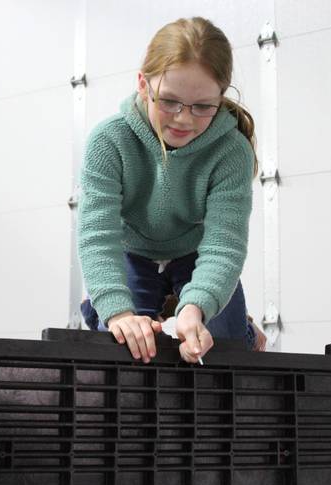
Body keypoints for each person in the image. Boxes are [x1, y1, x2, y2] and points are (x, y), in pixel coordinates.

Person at [78, 17, 265, 364]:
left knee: (220, 341)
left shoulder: (232, 152)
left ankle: (240, 327)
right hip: (132, 250)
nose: (183, 119)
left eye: (202, 107)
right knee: (123, 344)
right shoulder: (109, 141)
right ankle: (100, 312)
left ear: (221, 98)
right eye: (169, 101)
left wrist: (196, 308)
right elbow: (97, 237)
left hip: (194, 252)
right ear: (142, 85)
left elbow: (224, 245)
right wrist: (117, 312)